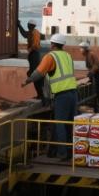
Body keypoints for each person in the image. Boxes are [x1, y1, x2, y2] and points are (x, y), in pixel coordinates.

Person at [21, 33, 77, 161]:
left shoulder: (50, 56)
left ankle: (62, 153)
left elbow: (39, 73)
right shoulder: (68, 56)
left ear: (52, 44)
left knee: (60, 124)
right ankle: (70, 152)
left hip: (62, 95)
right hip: (73, 93)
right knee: (70, 124)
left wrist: (27, 81)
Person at [17, 19, 45, 100]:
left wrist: (30, 50)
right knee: (34, 75)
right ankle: (40, 95)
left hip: (34, 54)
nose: (27, 26)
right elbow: (24, 34)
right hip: (34, 54)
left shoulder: (34, 33)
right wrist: (19, 25)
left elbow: (35, 45)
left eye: (28, 24)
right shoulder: (33, 32)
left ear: (30, 25)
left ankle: (41, 95)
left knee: (34, 75)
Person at [80, 41, 99, 112]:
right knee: (96, 94)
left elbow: (96, 65)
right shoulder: (87, 56)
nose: (80, 50)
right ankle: (98, 109)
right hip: (95, 76)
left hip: (98, 76)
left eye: (81, 48)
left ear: (85, 49)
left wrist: (91, 73)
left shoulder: (91, 55)